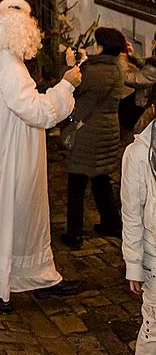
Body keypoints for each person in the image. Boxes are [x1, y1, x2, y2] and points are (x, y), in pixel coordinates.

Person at [0, 8, 82, 312]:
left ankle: (23, 277)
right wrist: (66, 86)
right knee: (2, 220)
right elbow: (35, 111)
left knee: (1, 220)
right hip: (5, 158)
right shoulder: (9, 66)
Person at [61, 27, 126, 250]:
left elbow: (73, 88)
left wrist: (71, 65)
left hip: (88, 133)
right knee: (100, 179)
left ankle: (74, 233)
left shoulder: (95, 71)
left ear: (101, 46)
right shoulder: (116, 68)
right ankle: (112, 223)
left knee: (77, 183)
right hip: (108, 130)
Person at [120, 119, 156, 354]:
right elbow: (131, 214)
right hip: (154, 259)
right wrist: (134, 265)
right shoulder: (138, 153)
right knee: (152, 329)